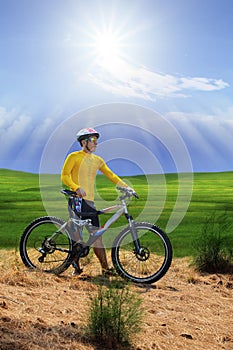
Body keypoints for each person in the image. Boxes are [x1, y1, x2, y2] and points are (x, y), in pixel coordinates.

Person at [61, 127, 133, 276]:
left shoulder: (97, 160)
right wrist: (76, 187)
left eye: (96, 140)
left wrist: (127, 188)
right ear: (83, 142)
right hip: (77, 200)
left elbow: (111, 175)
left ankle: (106, 270)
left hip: (90, 202)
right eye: (93, 140)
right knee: (78, 236)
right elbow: (65, 176)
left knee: (96, 236)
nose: (96, 143)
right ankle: (76, 268)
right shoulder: (73, 157)